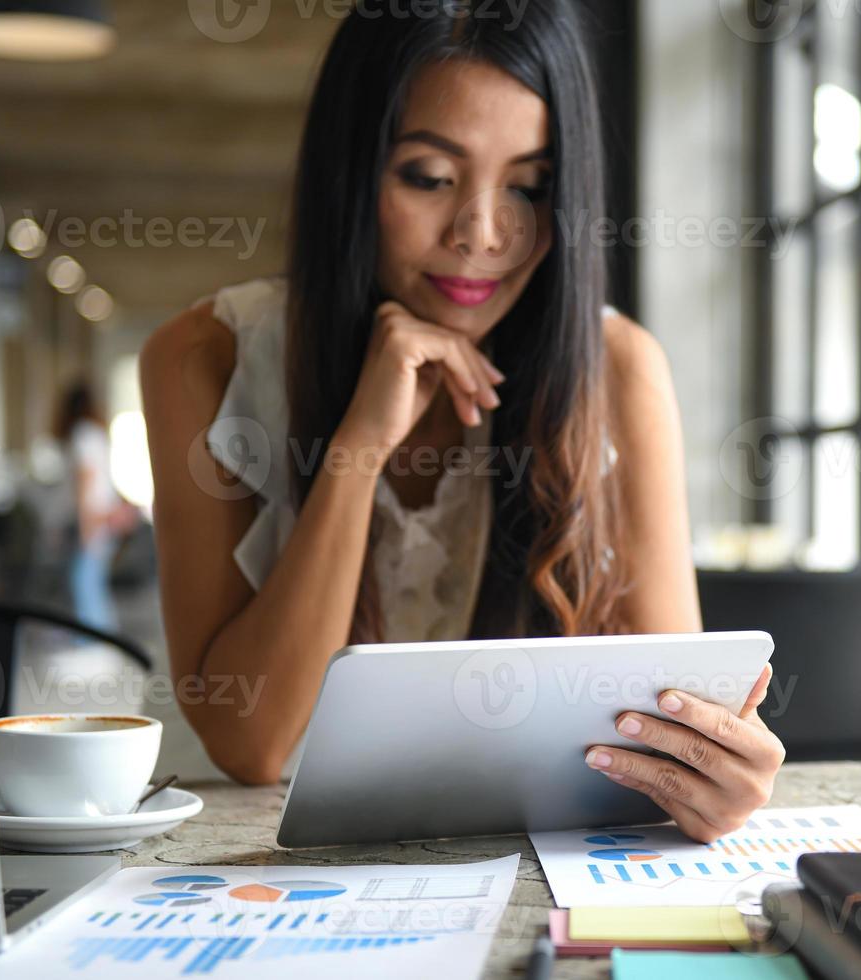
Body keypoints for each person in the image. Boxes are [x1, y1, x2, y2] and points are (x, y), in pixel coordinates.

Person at [140, 0, 784, 842]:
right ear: (352, 171)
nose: (483, 234)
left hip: (514, 862)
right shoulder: (205, 359)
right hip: (246, 856)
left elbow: (679, 735)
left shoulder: (619, 368)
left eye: (529, 185)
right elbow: (253, 746)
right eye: (430, 177)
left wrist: (716, 777)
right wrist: (357, 451)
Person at [54, 382, 132, 632]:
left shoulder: (82, 435)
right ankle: (102, 636)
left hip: (94, 519)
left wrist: (87, 528)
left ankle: (94, 638)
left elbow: (86, 484)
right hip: (102, 518)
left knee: (83, 583)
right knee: (92, 583)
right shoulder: (95, 433)